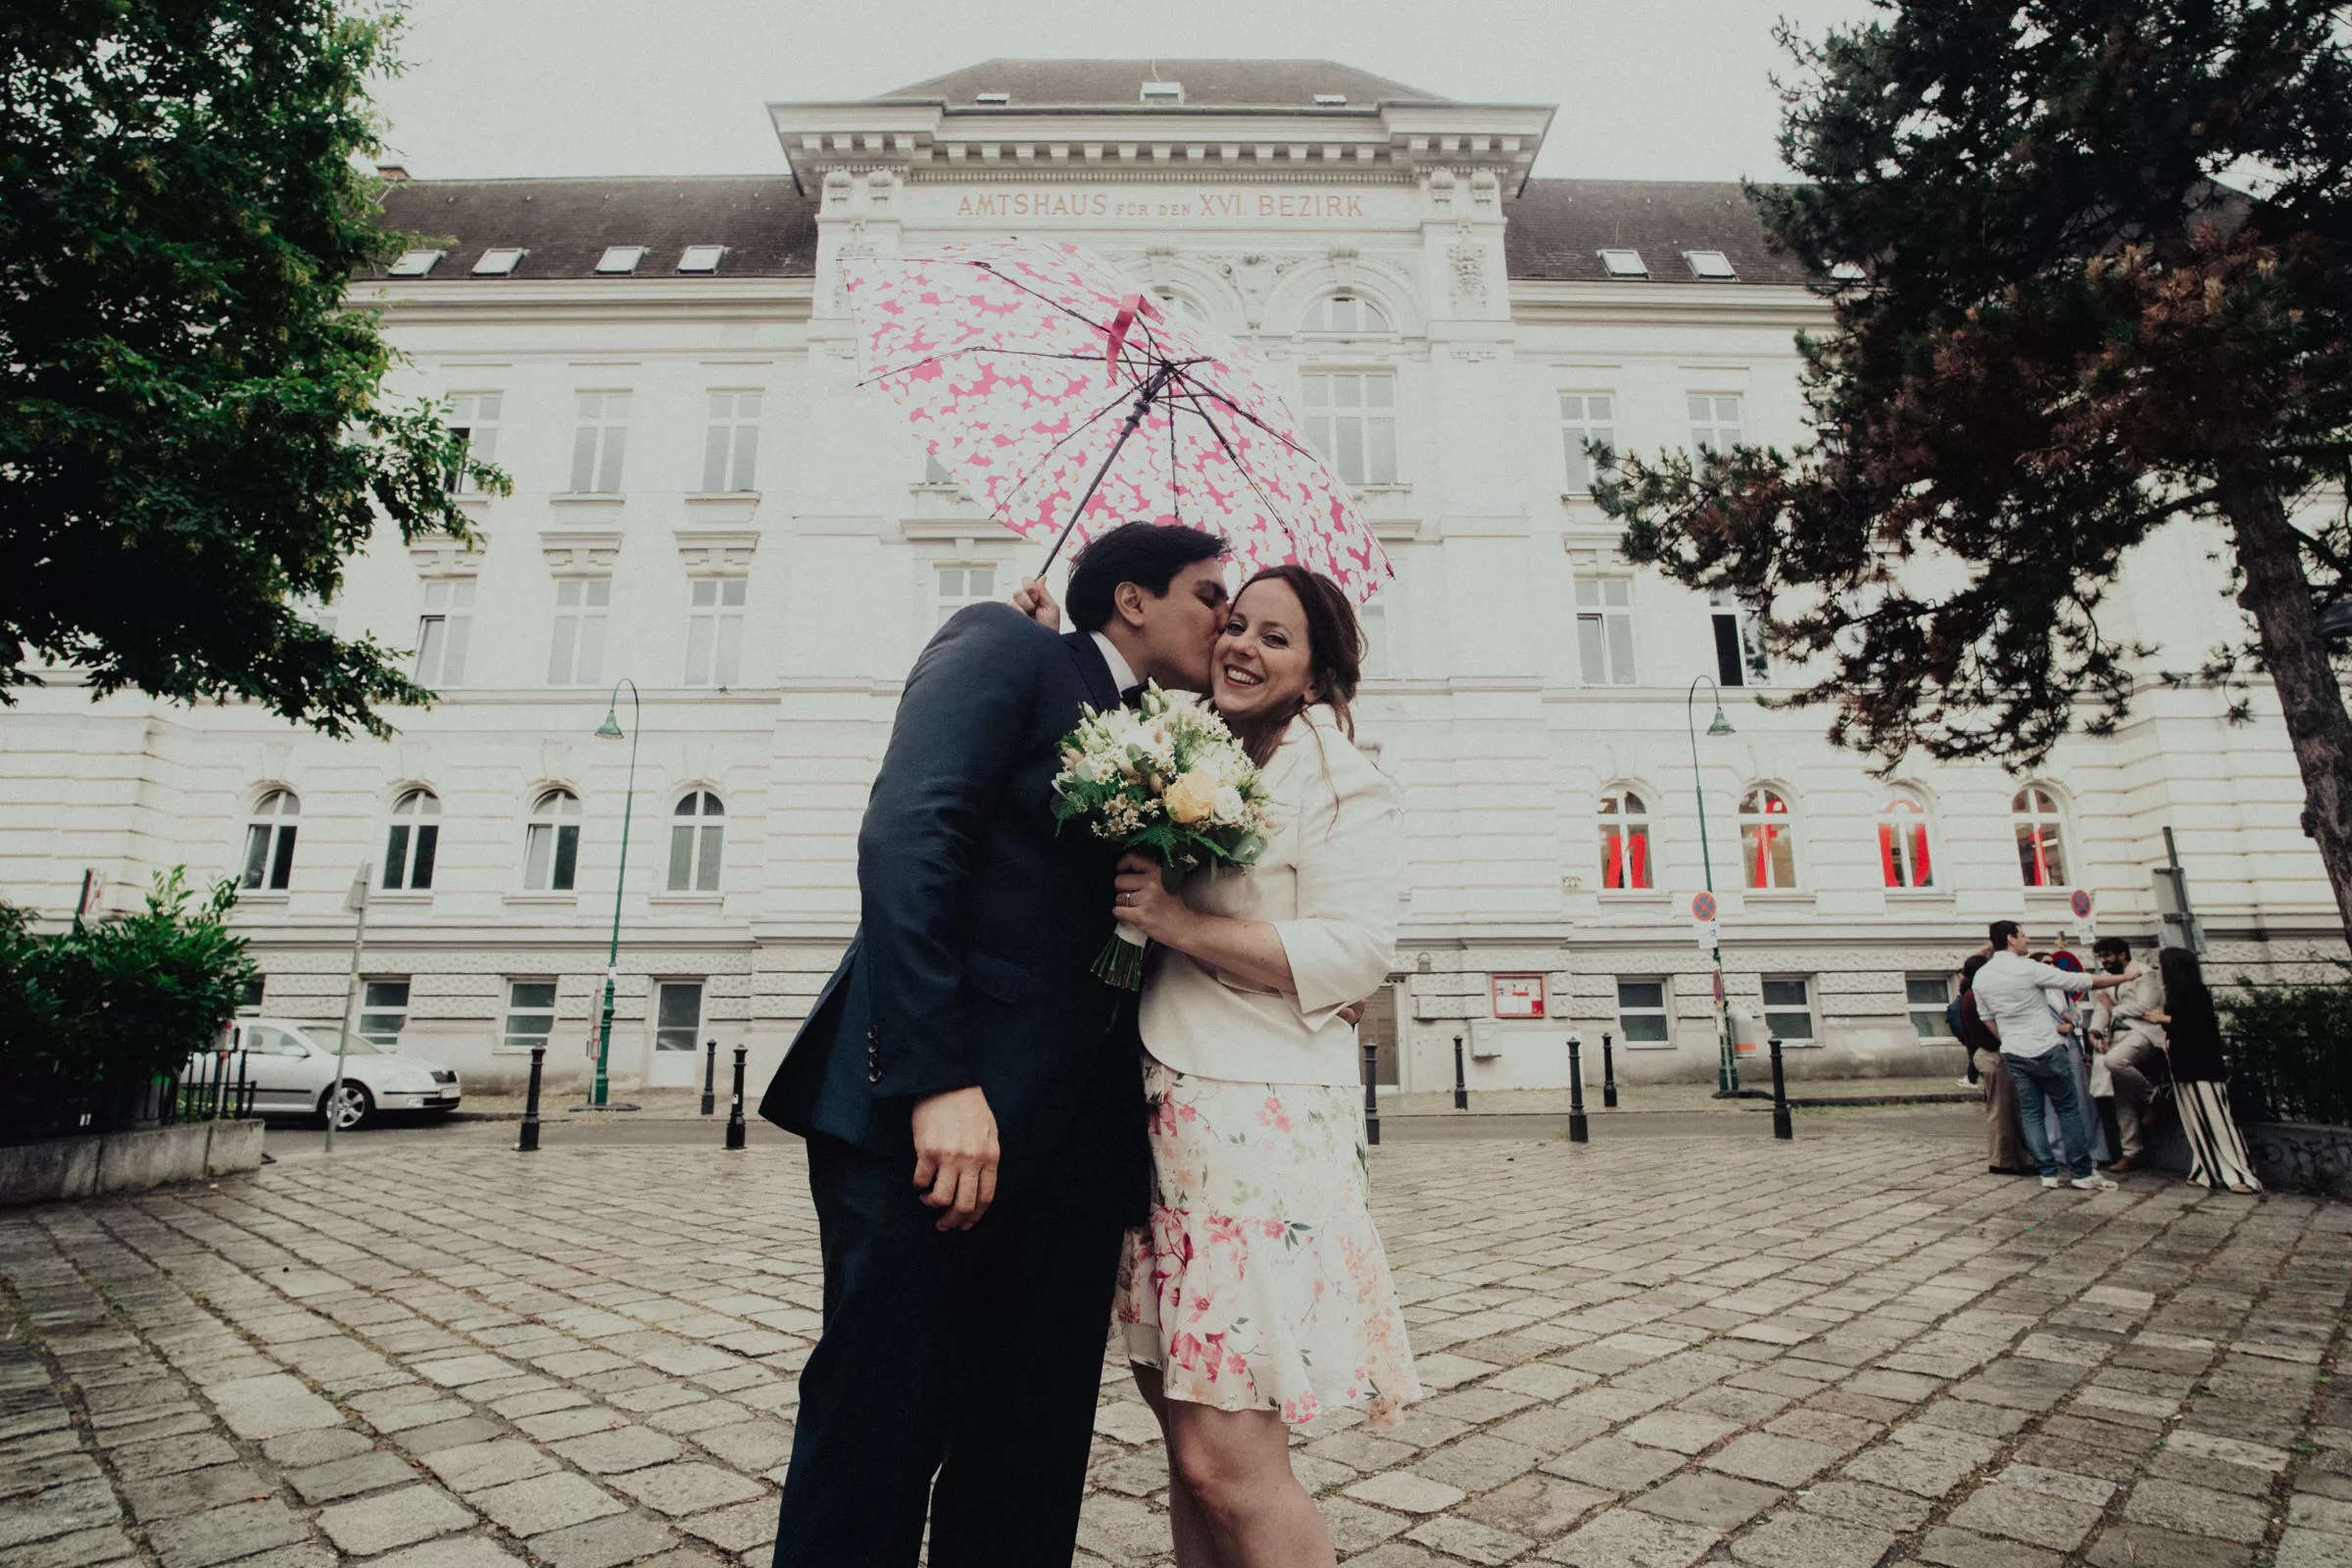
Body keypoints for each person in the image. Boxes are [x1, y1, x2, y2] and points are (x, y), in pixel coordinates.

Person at [758, 522, 1229, 1568]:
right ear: (1132, 599)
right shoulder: (1004, 644)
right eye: (1208, 593)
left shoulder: (1161, 731)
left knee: (1031, 1447)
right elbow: (911, 834)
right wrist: (937, 1080)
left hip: (1073, 1154)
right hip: (928, 1123)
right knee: (882, 1422)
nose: (1225, 615)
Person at [1106, 564, 1422, 1568]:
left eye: (1274, 637)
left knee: (1229, 1461)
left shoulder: (1340, 780)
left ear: (1319, 667)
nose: (1242, 644)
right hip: (1171, 1122)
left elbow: (1356, 949)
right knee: (1188, 1446)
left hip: (1260, 1130)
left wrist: (1177, 922)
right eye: (1234, 622)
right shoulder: (1193, 745)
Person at [1973, 920, 2140, 1191]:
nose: (2027, 940)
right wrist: (2124, 977)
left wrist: (2007, 1039)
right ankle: (2082, 1173)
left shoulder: (1982, 975)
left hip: (2014, 1051)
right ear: (2011, 939)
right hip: (2046, 1047)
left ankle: (2048, 1174)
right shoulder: (2028, 968)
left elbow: (1986, 1018)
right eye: (2023, 935)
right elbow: (2081, 981)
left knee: (2032, 1113)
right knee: (2067, 1109)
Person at [2144, 947, 2263, 1194]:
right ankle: (2205, 1169)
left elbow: (2197, 1025)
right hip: (2185, 1066)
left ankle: (2239, 1172)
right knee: (2196, 1120)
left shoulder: (2195, 992)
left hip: (2201, 1067)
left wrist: (2163, 1019)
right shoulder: (2179, 994)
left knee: (2216, 1118)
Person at [2090, 936, 2163, 1172]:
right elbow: (2102, 1007)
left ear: (2123, 955)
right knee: (2120, 1095)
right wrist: (2096, 1033)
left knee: (2113, 1061)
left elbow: (2146, 1005)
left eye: (2107, 955)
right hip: (2118, 1036)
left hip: (2142, 1032)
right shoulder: (2110, 979)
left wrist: (2115, 1010)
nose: (2104, 961)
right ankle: (2131, 1152)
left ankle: (2155, 1098)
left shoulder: (2144, 973)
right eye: (2101, 957)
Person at [1954, 952, 2032, 1174]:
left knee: (2005, 1108)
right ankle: (2003, 1160)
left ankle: (2012, 1158)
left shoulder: (1969, 994)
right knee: (2001, 1109)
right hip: (1992, 1053)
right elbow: (1987, 1027)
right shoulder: (1975, 995)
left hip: (1986, 1053)